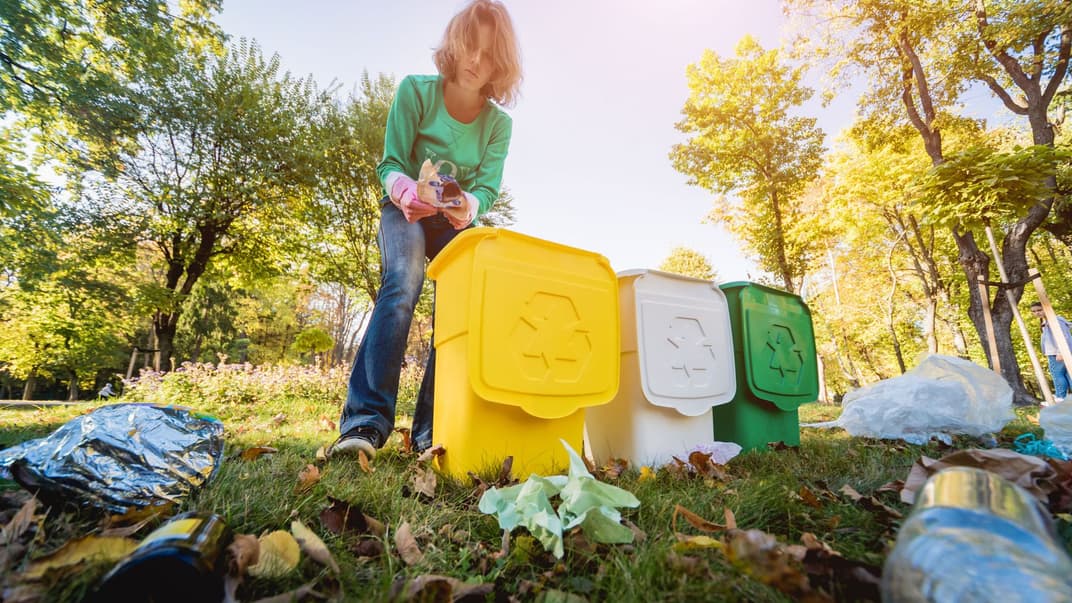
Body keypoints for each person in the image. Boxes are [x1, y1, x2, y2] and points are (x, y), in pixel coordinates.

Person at [331, 0, 522, 458]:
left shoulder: (499, 125)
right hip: (405, 213)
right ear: (455, 45)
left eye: (489, 53)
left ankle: (432, 430)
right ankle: (364, 424)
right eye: (470, 47)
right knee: (403, 282)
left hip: (453, 222)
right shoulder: (415, 92)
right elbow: (391, 162)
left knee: (463, 305)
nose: (477, 61)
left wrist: (465, 205)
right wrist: (405, 193)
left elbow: (486, 191)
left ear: (502, 63)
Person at [1029, 302, 1072, 405]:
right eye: (1034, 311)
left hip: (1057, 353)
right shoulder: (1045, 322)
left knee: (1057, 374)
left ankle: (1060, 397)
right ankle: (1064, 397)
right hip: (1056, 352)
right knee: (1067, 374)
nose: (1037, 313)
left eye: (1039, 310)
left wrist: (1060, 351)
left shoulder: (1055, 320)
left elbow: (1064, 336)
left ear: (1046, 309)